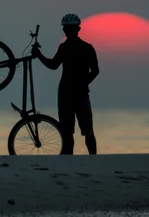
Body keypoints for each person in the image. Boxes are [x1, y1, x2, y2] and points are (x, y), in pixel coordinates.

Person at [32, 13, 99, 155]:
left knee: (72, 132)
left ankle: (70, 162)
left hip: (69, 94)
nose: (67, 30)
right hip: (73, 94)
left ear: (76, 29)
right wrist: (84, 83)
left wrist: (39, 56)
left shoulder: (70, 47)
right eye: (67, 28)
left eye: (69, 28)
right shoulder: (83, 47)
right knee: (83, 131)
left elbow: (53, 65)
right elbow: (95, 71)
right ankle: (91, 161)